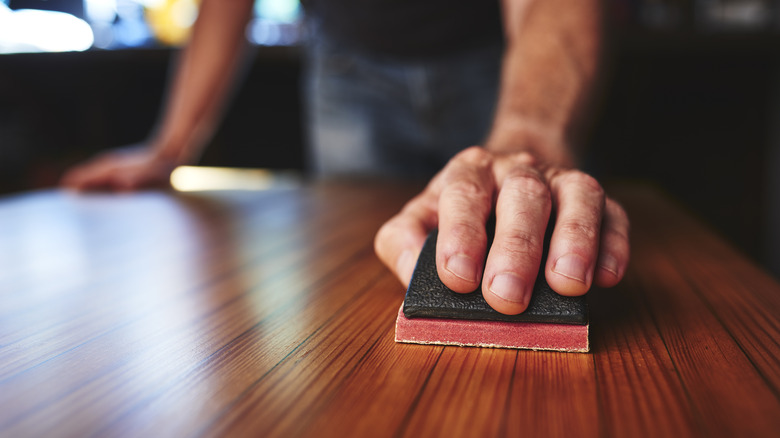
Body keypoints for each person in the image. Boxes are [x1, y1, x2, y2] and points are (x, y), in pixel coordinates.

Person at [61, 0, 630, 316]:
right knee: (361, 285)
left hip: (504, 54)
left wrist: (527, 137)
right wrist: (170, 146)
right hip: (348, 67)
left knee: (532, 226)